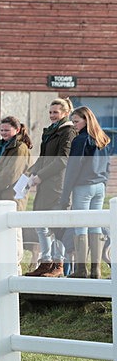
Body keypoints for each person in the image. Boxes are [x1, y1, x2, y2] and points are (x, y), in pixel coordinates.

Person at [24, 97, 77, 278]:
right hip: (44, 183)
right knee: (41, 223)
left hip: (58, 184)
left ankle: (58, 264)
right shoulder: (49, 131)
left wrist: (40, 176)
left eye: (56, 112)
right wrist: (29, 173)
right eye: (50, 112)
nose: (52, 115)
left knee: (57, 226)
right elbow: (43, 158)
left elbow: (63, 159)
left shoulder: (68, 131)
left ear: (65, 113)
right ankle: (45, 262)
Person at [57, 106, 110, 278]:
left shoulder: (80, 140)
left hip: (83, 187)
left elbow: (73, 168)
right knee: (95, 226)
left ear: (86, 120)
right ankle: (96, 270)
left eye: (76, 121)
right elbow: (108, 167)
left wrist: (65, 195)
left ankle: (81, 269)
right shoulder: (102, 138)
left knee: (81, 226)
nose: (74, 125)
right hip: (99, 186)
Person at [0, 116, 32, 269]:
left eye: (7, 130)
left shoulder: (19, 148)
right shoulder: (3, 146)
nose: (3, 133)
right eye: (1, 130)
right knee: (2, 233)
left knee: (14, 233)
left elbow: (11, 174)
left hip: (12, 196)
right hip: (0, 194)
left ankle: (15, 267)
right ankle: (3, 267)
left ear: (17, 130)